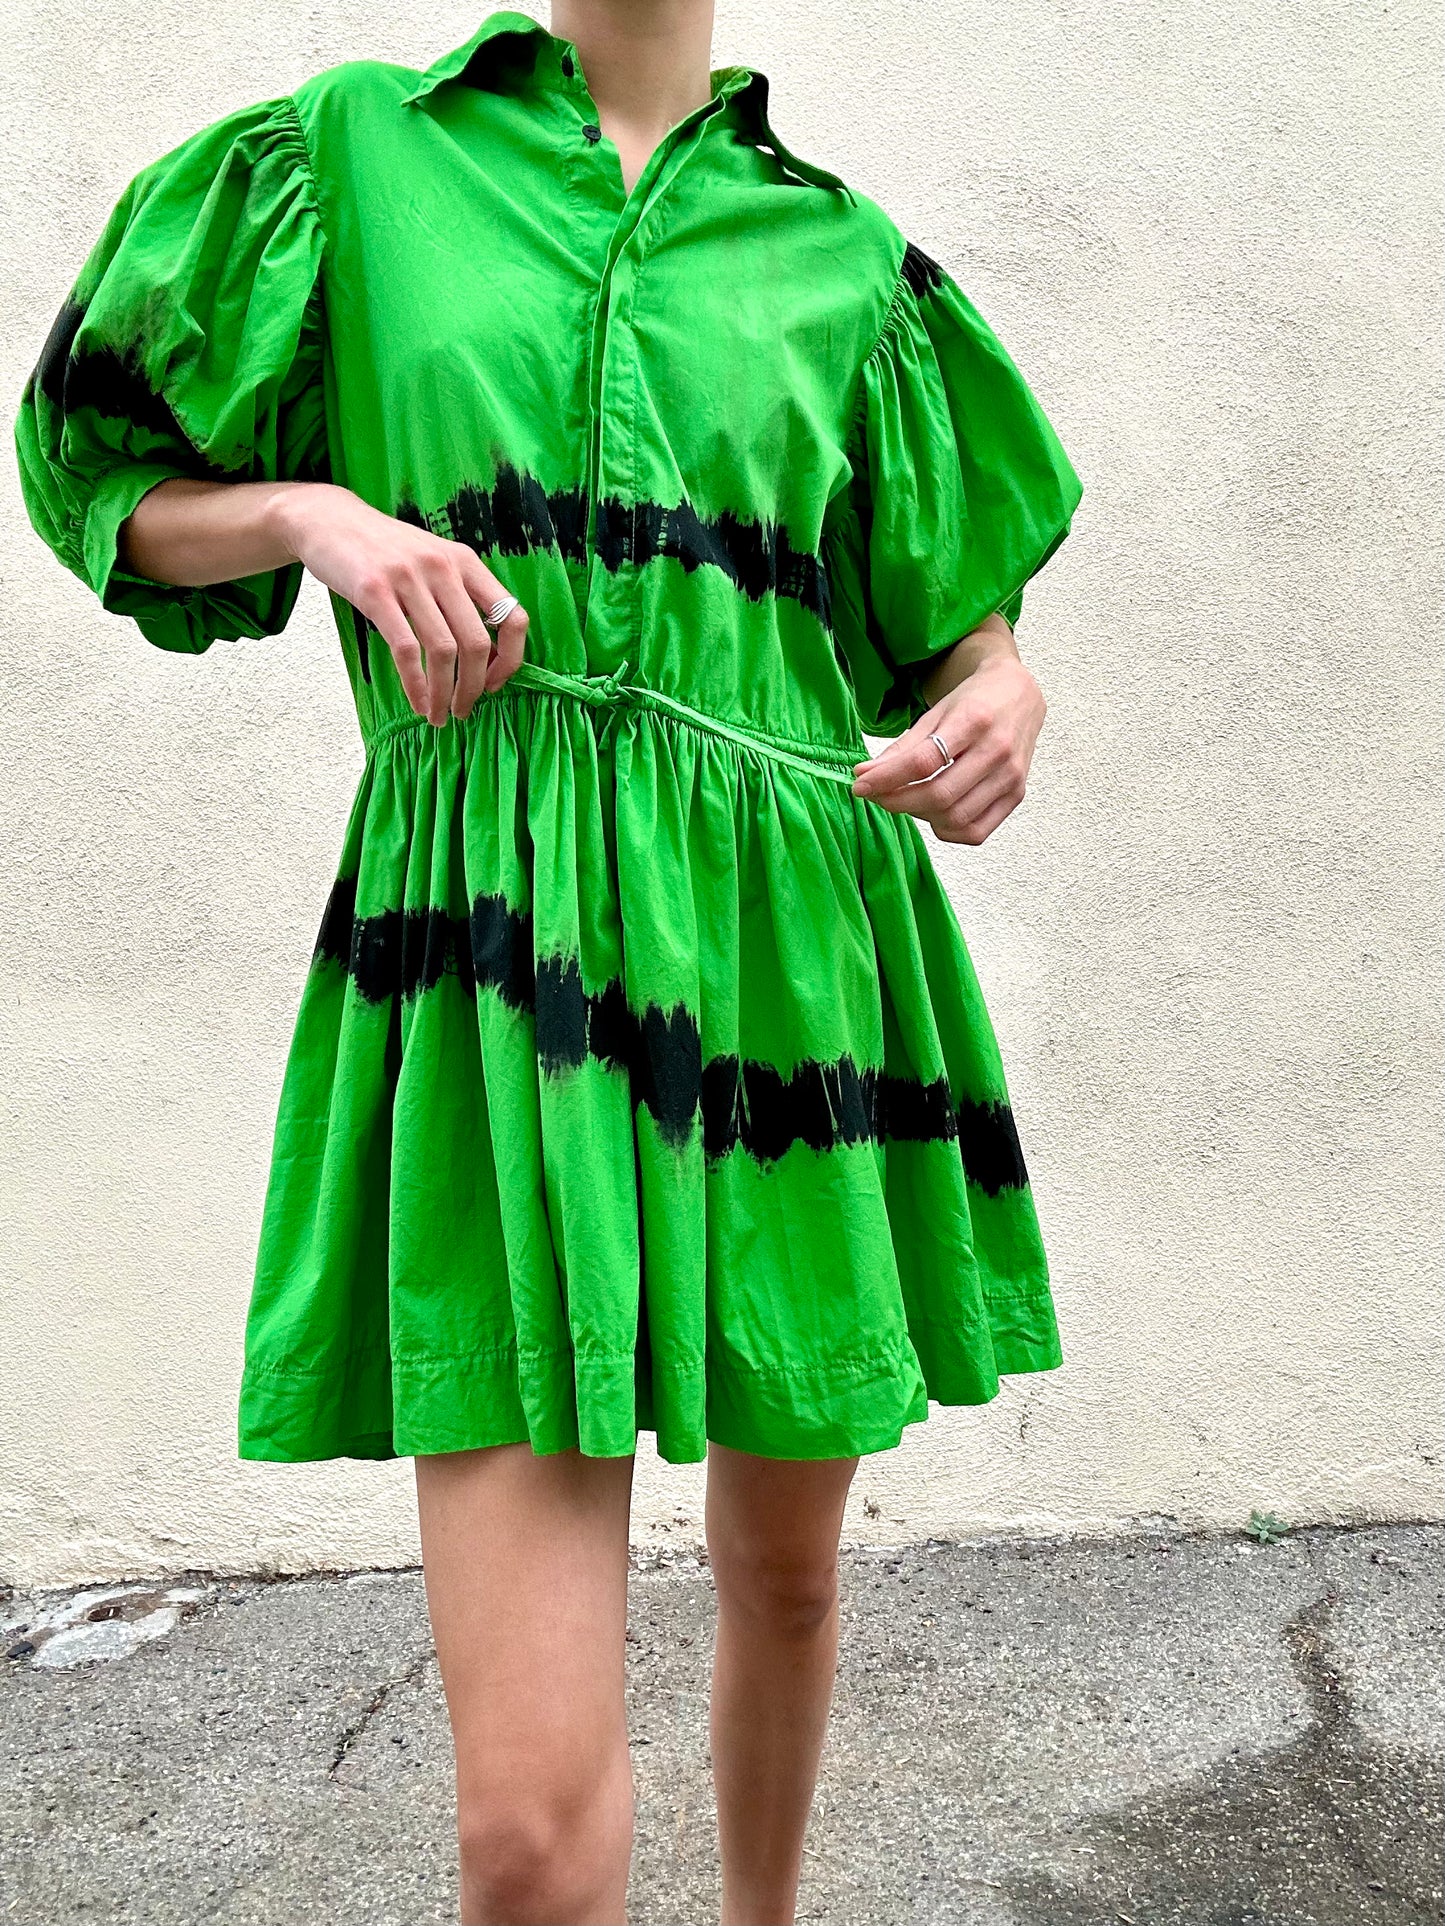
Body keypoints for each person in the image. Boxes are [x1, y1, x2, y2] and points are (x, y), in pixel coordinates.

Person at [14, 3, 1084, 1920]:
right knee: (519, 1836)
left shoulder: (842, 259)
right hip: (494, 967)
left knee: (783, 1571)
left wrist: (1002, 692)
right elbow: (99, 476)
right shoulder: (348, 159)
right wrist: (313, 516)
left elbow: (957, 625)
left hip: (790, 964)